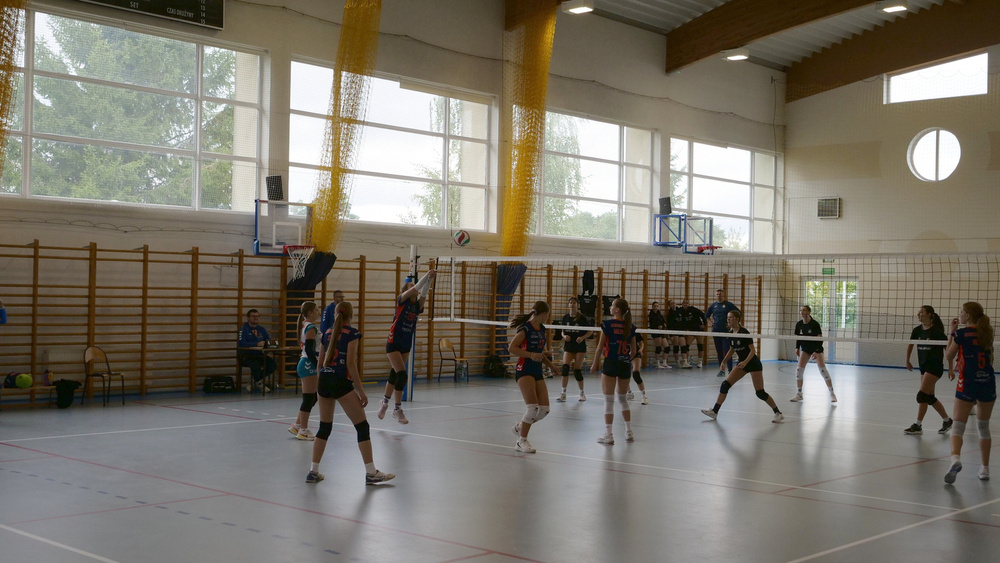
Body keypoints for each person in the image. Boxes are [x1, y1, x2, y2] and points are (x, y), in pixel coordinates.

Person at [307, 301, 394, 485]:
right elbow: (350, 364)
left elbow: (320, 363)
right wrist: (361, 391)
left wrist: (323, 382)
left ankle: (313, 471)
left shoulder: (327, 333)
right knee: (362, 427)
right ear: (351, 316)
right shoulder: (352, 333)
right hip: (339, 380)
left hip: (324, 379)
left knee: (324, 427)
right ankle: (371, 472)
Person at [943, 301, 996, 484]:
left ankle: (955, 459)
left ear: (968, 315)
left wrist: (952, 332)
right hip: (987, 382)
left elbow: (948, 356)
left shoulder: (961, 334)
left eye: (962, 312)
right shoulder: (987, 333)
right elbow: (990, 358)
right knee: (983, 427)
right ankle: (985, 469)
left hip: (968, 382)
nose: (960, 314)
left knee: (958, 427)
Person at [701, 310, 784, 423]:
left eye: (731, 317)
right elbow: (732, 349)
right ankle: (714, 411)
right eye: (728, 317)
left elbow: (752, 350)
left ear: (737, 319)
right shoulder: (730, 333)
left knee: (760, 392)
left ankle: (778, 413)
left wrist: (745, 362)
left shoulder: (744, 332)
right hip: (742, 363)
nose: (728, 319)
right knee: (725, 385)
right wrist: (723, 362)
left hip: (753, 363)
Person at [378, 270, 436, 424]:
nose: (414, 289)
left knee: (394, 373)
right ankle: (397, 409)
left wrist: (430, 280)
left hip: (406, 343)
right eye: (410, 287)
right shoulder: (401, 300)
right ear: (406, 291)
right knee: (402, 375)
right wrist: (427, 275)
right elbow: (417, 287)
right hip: (394, 341)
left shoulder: (417, 306)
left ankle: (384, 402)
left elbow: (424, 292)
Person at [509, 301, 561, 453]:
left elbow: (540, 352)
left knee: (544, 410)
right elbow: (512, 348)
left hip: (537, 369)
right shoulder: (526, 328)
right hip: (524, 368)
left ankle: (520, 427)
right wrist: (530, 355)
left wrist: (551, 365)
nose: (547, 317)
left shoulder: (542, 329)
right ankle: (521, 441)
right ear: (543, 314)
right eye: (547, 315)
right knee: (532, 408)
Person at [591, 297, 638, 445]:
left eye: (612, 306)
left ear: (617, 310)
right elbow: (634, 351)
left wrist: (594, 363)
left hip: (610, 363)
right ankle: (629, 432)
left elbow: (600, 347)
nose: (610, 308)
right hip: (624, 364)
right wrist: (625, 359)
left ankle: (609, 435)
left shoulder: (608, 325)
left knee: (609, 400)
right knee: (623, 399)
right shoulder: (630, 326)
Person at [903, 305, 952, 435]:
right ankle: (947, 420)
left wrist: (951, 368)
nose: (918, 314)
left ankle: (918, 425)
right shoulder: (917, 330)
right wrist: (907, 360)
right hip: (924, 368)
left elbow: (948, 351)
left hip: (935, 368)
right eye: (918, 312)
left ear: (929, 314)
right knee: (929, 398)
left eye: (921, 312)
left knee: (921, 396)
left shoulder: (937, 332)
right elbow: (910, 345)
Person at [790, 305, 838, 403]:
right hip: (805, 349)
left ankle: (832, 394)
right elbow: (799, 337)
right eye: (801, 310)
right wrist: (797, 347)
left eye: (804, 310)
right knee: (799, 371)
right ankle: (799, 394)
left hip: (816, 348)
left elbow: (820, 339)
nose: (802, 312)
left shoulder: (815, 324)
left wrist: (816, 351)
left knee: (823, 370)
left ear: (809, 312)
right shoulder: (799, 324)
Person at [288, 301, 320, 441]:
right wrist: (317, 365)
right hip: (308, 364)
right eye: (316, 310)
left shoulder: (305, 325)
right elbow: (309, 349)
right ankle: (303, 430)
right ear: (310, 312)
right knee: (309, 398)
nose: (318, 312)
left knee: (313, 397)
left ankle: (297, 425)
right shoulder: (310, 327)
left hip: (306, 363)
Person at [556, 297, 592, 402]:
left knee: (577, 371)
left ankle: (582, 394)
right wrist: (564, 336)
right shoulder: (565, 318)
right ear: (568, 305)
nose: (572, 304)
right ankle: (563, 393)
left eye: (574, 303)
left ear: (577, 305)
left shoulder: (582, 318)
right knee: (565, 368)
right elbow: (562, 331)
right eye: (570, 302)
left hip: (579, 346)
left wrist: (582, 337)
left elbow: (590, 331)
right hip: (569, 346)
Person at [238, 309, 277, 392]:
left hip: (260, 355)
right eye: (253, 316)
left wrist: (270, 344)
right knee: (256, 365)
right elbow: (241, 343)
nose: (256, 318)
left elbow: (269, 340)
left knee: (272, 365)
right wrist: (256, 344)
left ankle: (254, 380)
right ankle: (258, 382)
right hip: (247, 356)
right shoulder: (243, 329)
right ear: (248, 318)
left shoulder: (262, 329)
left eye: (257, 316)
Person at [706, 289, 740, 377]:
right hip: (716, 331)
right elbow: (706, 316)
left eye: (720, 294)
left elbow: (739, 313)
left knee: (727, 350)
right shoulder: (713, 305)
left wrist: (730, 324)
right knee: (719, 351)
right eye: (717, 294)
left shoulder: (729, 305)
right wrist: (711, 323)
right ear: (715, 295)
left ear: (723, 295)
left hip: (726, 331)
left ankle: (730, 370)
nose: (719, 296)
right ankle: (721, 370)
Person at [678, 299, 706, 369]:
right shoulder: (681, 311)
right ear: (682, 304)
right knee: (686, 346)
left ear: (689, 304)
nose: (686, 304)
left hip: (699, 329)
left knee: (700, 345)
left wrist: (704, 324)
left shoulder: (693, 309)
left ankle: (700, 362)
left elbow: (703, 315)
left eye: (687, 303)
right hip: (691, 330)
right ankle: (686, 362)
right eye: (684, 303)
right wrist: (685, 328)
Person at [626, 331, 650, 405]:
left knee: (636, 374)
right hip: (624, 354)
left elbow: (641, 343)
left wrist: (641, 349)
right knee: (624, 374)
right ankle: (629, 393)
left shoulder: (633, 331)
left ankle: (644, 396)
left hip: (635, 353)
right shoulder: (618, 331)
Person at [647, 302, 667, 369]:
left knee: (667, 347)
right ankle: (658, 363)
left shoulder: (659, 314)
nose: (656, 307)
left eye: (657, 306)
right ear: (652, 307)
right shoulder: (651, 314)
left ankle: (664, 362)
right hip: (656, 332)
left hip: (661, 332)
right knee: (658, 348)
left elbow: (663, 322)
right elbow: (652, 324)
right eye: (655, 306)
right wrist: (657, 326)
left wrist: (662, 326)